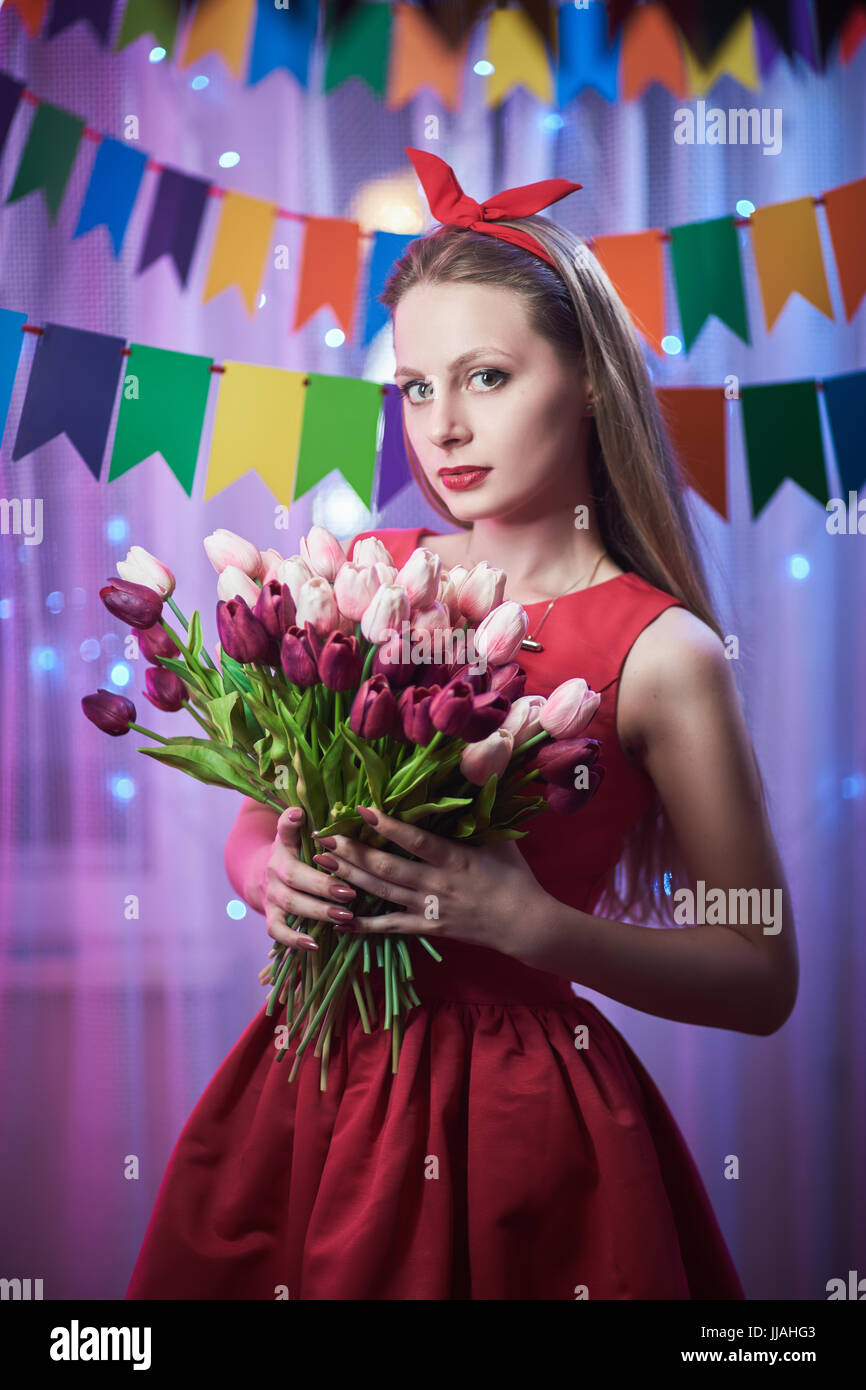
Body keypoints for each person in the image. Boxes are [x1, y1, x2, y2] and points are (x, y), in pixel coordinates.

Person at [125, 149, 797, 1301]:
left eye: (485, 377)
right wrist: (265, 871)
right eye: (417, 386)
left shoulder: (662, 653)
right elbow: (261, 817)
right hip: (305, 1086)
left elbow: (760, 972)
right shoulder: (368, 574)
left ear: (586, 377)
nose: (441, 427)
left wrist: (531, 926)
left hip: (515, 1121)